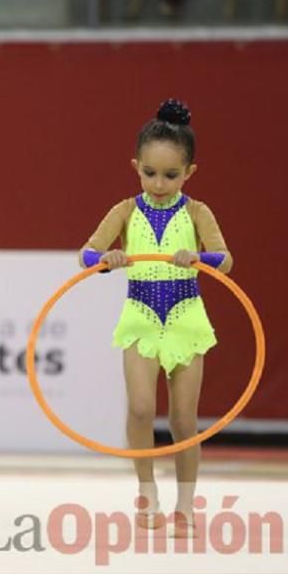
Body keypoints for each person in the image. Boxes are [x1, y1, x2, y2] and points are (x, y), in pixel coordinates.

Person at [79, 99, 233, 538]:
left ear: (189, 173)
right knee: (142, 408)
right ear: (136, 167)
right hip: (141, 315)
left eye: (171, 175)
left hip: (185, 317)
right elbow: (85, 254)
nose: (159, 183)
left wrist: (198, 257)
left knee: (184, 421)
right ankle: (147, 494)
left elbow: (225, 259)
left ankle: (186, 504)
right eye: (150, 173)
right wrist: (107, 259)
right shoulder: (125, 211)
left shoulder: (197, 212)